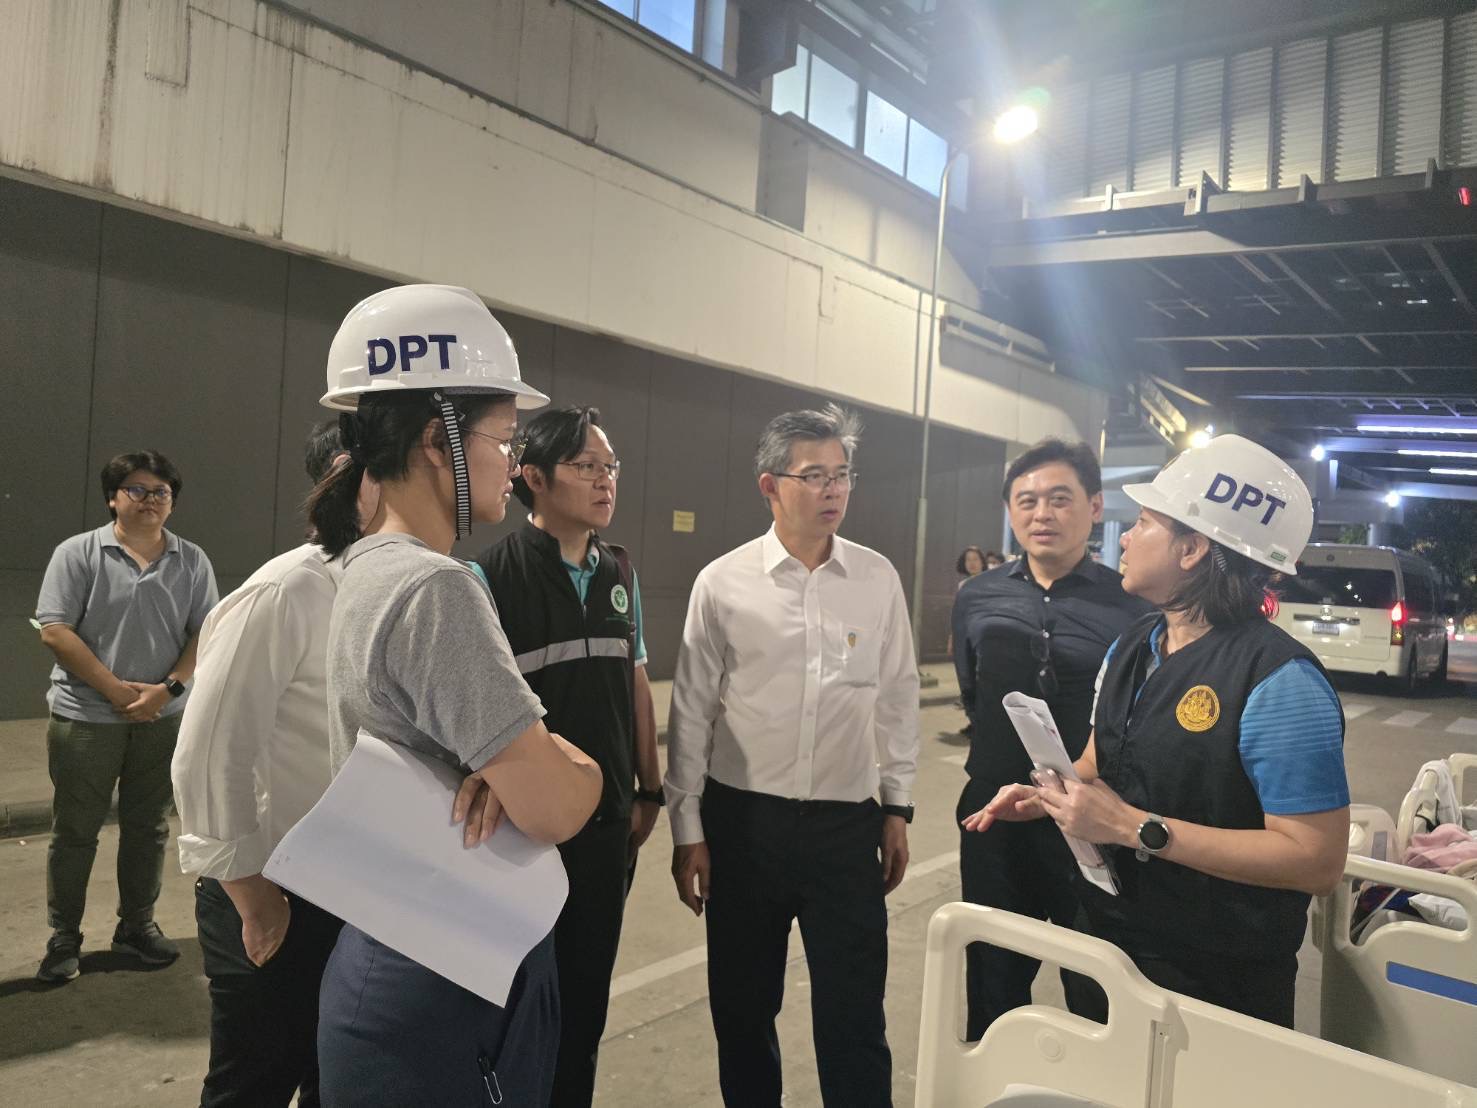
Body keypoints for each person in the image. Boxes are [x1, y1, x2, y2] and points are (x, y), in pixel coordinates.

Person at [305, 284, 603, 1105]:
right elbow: (554, 807)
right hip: (444, 971)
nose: (512, 461)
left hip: (389, 945)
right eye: (503, 439)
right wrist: (572, 762)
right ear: (438, 441)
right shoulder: (436, 587)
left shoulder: (366, 564)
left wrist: (509, 765)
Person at [965, 434, 1350, 1027]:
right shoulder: (1133, 646)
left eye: (1143, 522)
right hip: (1108, 945)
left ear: (1191, 549)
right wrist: (1051, 796)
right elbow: (1097, 762)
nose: (1124, 538)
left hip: (1215, 976)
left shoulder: (1281, 681)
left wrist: (1132, 828)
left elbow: (1314, 860)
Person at [665, 403, 919, 1107]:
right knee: (743, 1011)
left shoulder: (876, 579)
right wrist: (687, 829)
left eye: (842, 474)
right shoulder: (723, 582)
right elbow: (690, 713)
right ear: (770, 486)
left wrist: (897, 806)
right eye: (814, 475)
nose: (833, 490)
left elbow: (898, 698)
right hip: (745, 827)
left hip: (845, 829)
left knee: (854, 1014)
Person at [171, 421, 380, 1107]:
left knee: (338, 1079)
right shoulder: (288, 589)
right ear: (345, 479)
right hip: (275, 887)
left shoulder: (389, 589)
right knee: (255, 1081)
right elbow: (208, 752)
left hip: (357, 888)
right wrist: (252, 897)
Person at [477, 405, 660, 1108]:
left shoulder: (620, 570)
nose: (605, 480)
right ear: (533, 476)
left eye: (610, 467)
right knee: (515, 1005)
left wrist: (649, 788)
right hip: (526, 830)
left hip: (608, 825)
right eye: (586, 466)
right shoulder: (489, 575)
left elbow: (634, 682)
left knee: (584, 1006)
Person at [951, 439, 1152, 1039]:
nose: (1042, 514)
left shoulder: (1133, 604)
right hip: (994, 813)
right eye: (1027, 500)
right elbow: (972, 690)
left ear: (1095, 507)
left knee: (1096, 983)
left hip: (1091, 816)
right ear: (1010, 512)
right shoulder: (977, 596)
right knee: (992, 977)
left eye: (1060, 499)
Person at [34, 450, 218, 983]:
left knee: (149, 828)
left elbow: (207, 631)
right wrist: (115, 691)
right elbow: (55, 631)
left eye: (160, 492)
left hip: (162, 718)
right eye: (136, 490)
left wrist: (168, 689)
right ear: (113, 498)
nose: (149, 500)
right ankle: (64, 936)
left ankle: (136, 926)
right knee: (74, 832)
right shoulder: (78, 554)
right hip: (85, 719)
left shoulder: (191, 561)